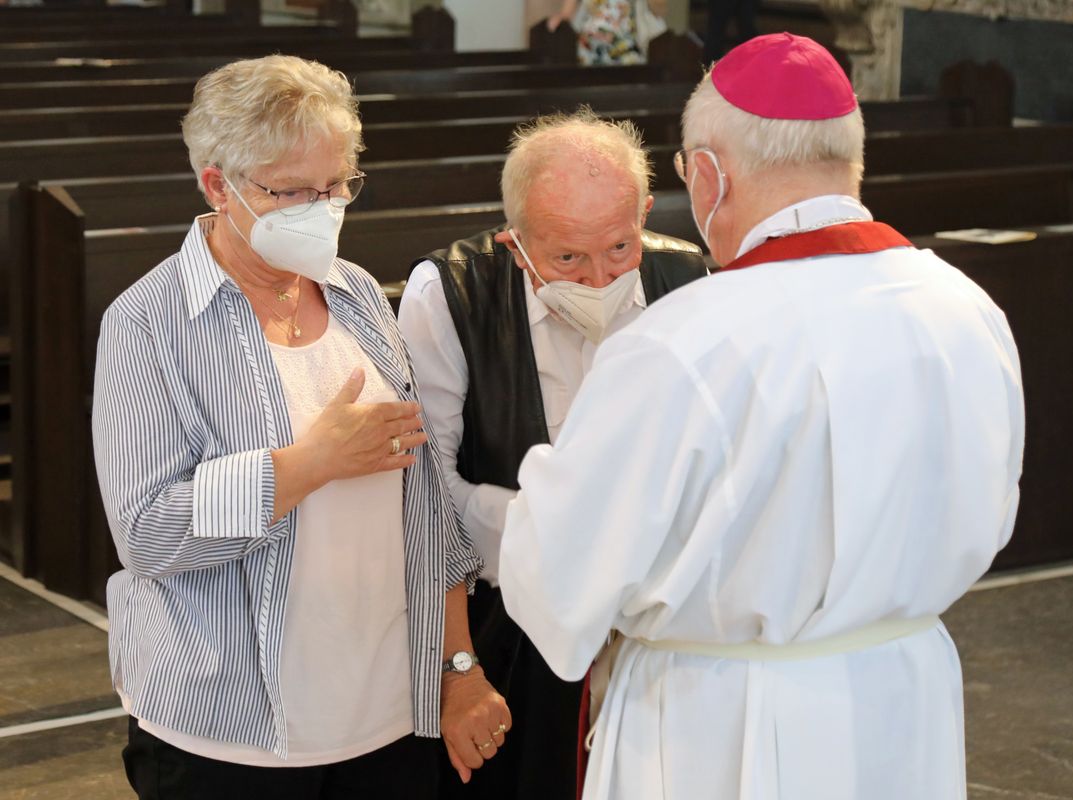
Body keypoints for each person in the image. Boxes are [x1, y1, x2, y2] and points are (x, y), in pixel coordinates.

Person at [498, 33, 1025, 800]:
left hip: (719, 722)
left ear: (707, 176)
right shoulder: (965, 307)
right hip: (902, 696)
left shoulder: (681, 343)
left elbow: (558, 580)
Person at [92, 55, 510, 799]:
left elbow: (425, 505)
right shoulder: (148, 324)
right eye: (291, 192)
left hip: (388, 709)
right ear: (218, 184)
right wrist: (307, 464)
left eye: (336, 186)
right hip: (232, 730)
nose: (322, 210)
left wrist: (458, 667)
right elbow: (148, 534)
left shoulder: (354, 294)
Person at [397, 109, 708, 799]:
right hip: (506, 621)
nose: (599, 281)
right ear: (515, 242)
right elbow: (425, 487)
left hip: (655, 622)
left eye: (620, 248)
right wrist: (566, 536)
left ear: (646, 212)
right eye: (567, 258)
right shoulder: (452, 293)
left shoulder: (686, 277)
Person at [548, 0, 668, 65]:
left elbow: (659, 9)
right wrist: (562, 15)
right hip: (590, 46)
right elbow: (567, 11)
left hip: (625, 45)